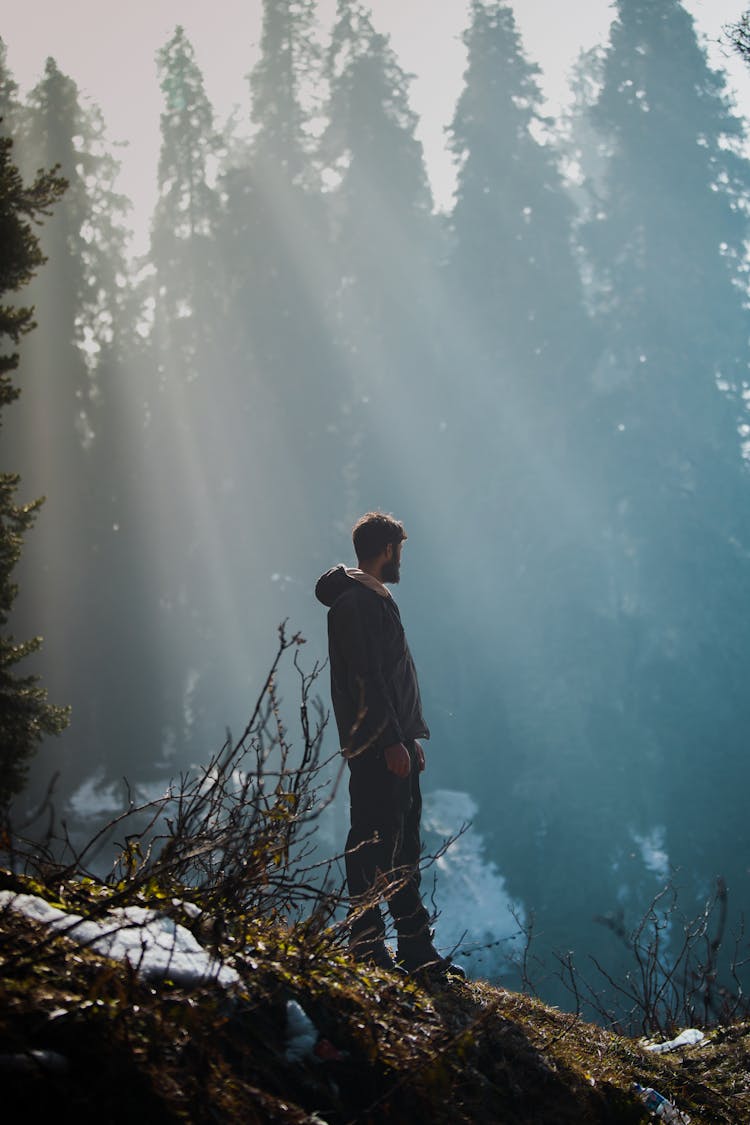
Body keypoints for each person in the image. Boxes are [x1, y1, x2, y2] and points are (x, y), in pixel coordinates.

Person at [315, 511, 459, 977]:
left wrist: (410, 738)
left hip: (392, 744)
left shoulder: (372, 599)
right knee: (377, 844)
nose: (401, 559)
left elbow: (389, 679)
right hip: (378, 747)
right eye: (399, 549)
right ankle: (374, 946)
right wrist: (392, 741)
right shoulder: (356, 605)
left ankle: (405, 948)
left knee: (400, 846)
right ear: (386, 550)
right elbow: (368, 679)